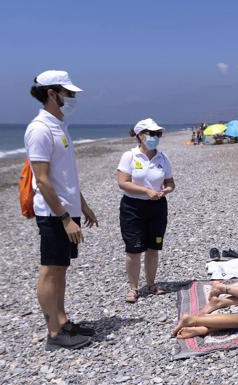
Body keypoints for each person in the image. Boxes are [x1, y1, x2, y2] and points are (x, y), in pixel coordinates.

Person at [24, 70, 99, 351]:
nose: (73, 97)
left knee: (61, 268)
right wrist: (66, 218)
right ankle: (53, 332)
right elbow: (42, 180)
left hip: (68, 210)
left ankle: (63, 320)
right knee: (50, 269)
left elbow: (64, 176)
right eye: (69, 92)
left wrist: (82, 206)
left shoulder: (59, 125)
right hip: (54, 214)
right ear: (51, 93)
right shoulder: (40, 128)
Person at [117, 118, 175, 303]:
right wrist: (146, 191)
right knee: (133, 250)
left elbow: (170, 182)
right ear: (140, 135)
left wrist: (166, 190)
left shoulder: (163, 157)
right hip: (133, 208)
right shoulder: (130, 156)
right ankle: (133, 288)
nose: (155, 137)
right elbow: (123, 183)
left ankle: (151, 284)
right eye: (151, 133)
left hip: (157, 207)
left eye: (158, 134)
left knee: (153, 248)